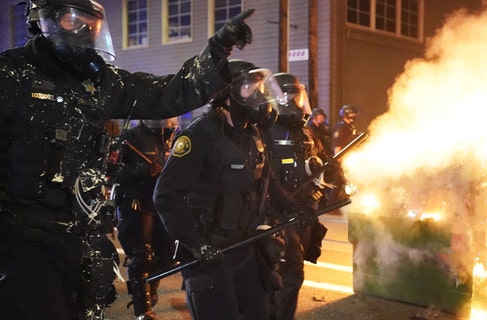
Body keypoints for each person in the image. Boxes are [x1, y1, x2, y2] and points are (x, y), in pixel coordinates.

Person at [0, 1, 255, 319]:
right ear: (44, 21)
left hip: (81, 239)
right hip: (22, 243)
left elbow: (171, 93)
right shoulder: (12, 74)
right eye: (72, 19)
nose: (83, 30)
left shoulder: (99, 83)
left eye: (91, 24)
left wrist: (218, 48)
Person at [153, 60, 317, 320]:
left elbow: (268, 180)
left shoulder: (254, 134)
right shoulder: (199, 136)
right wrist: (198, 244)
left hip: (246, 248)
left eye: (261, 86)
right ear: (225, 94)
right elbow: (165, 196)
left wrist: (294, 209)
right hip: (210, 255)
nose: (259, 94)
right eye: (250, 86)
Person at [268, 72, 329, 320]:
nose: (294, 102)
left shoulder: (307, 132)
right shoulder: (266, 129)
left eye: (297, 96)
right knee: (290, 274)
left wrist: (334, 173)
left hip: (303, 212)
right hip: (277, 214)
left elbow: (322, 160)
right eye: (288, 96)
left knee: (289, 274)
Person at [113, 118, 179, 320]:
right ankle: (143, 311)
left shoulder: (175, 138)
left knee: (170, 254)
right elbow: (113, 171)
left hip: (164, 203)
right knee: (142, 255)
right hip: (138, 202)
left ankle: (150, 286)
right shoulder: (130, 138)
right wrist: (140, 170)